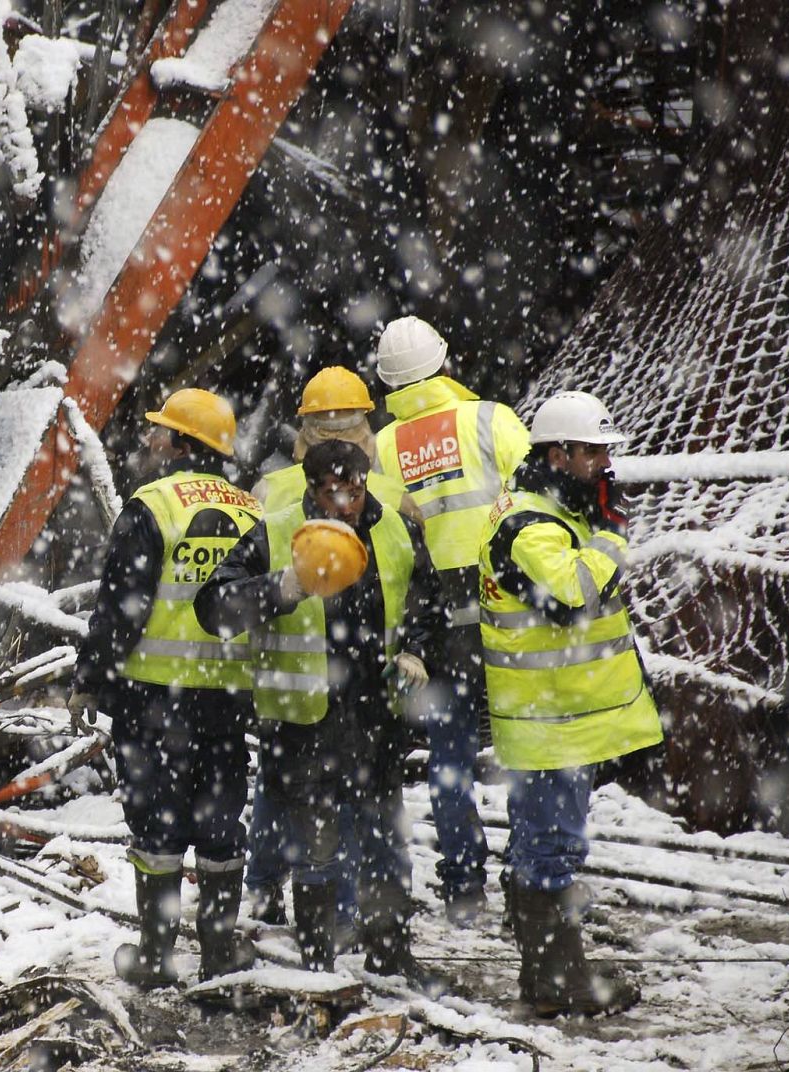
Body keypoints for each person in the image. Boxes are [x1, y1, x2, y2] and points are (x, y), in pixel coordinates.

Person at [195, 439, 446, 991]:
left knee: (385, 842)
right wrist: (282, 587)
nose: (348, 504)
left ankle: (390, 953)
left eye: (356, 490)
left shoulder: (394, 528)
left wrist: (416, 649)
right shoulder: (277, 532)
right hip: (303, 721)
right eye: (335, 493)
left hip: (376, 716)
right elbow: (214, 607)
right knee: (317, 849)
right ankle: (317, 966)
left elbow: (429, 600)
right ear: (311, 490)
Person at [67, 388, 263, 987]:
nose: (154, 441)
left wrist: (90, 681)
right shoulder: (253, 511)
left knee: (156, 829)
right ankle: (221, 951)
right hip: (226, 700)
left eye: (164, 432)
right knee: (221, 826)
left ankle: (155, 956)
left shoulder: (152, 505)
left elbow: (121, 608)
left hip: (153, 702)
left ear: (183, 442)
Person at [478, 390, 662, 1016]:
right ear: (559, 453)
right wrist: (611, 537)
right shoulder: (531, 525)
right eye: (594, 451)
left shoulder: (553, 512)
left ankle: (548, 974)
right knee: (552, 848)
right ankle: (559, 984)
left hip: (554, 721)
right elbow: (573, 596)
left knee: (544, 843)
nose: (605, 463)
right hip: (550, 723)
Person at [244, 366, 418, 929]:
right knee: (358, 815)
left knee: (293, 798)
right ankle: (342, 923)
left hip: (318, 697)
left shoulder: (272, 491)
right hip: (341, 694)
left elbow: (419, 587)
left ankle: (275, 890)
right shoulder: (390, 492)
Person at [372, 316, 530, 924]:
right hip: (510, 613)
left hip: (439, 625)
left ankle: (464, 886)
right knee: (523, 751)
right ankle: (528, 885)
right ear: (444, 361)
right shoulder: (490, 419)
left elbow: (393, 542)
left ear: (387, 383)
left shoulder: (383, 447)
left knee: (449, 759)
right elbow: (539, 501)